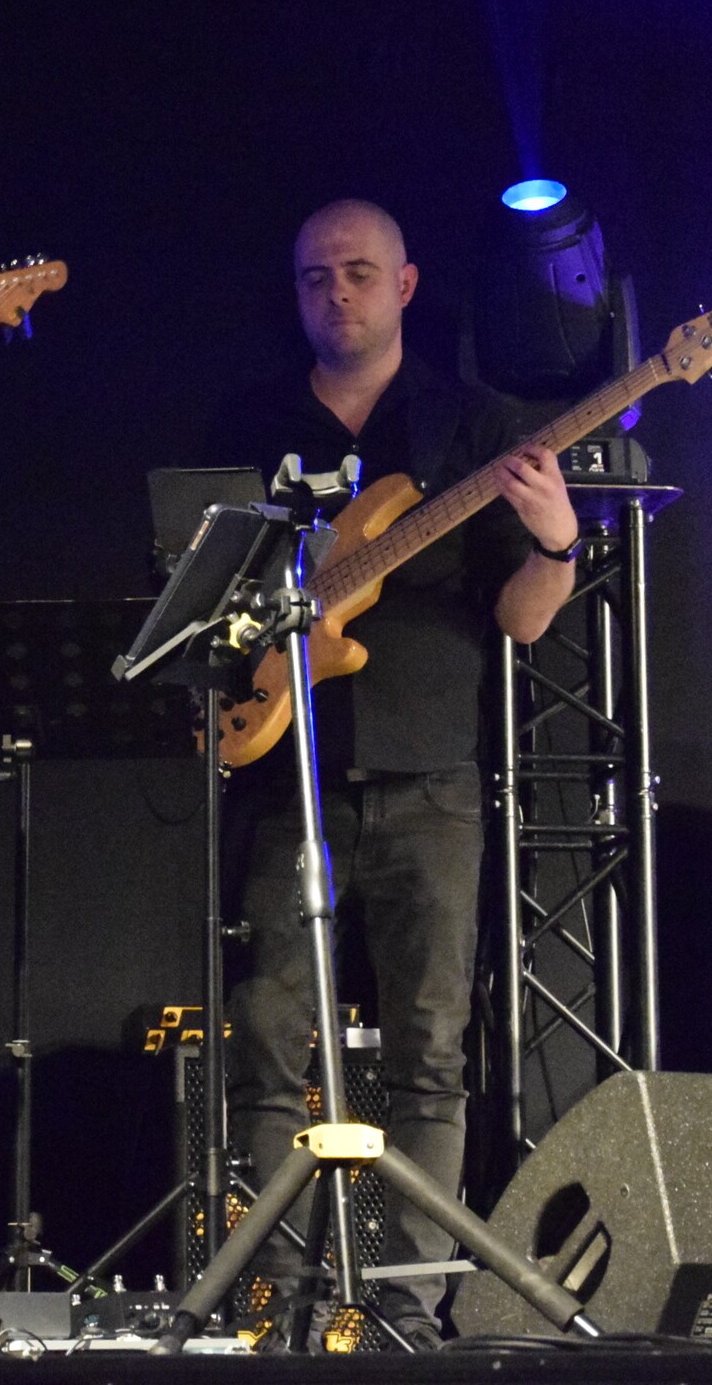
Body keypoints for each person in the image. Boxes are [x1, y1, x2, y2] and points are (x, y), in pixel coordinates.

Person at [201, 198, 579, 1350]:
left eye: (359, 272)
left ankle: (405, 1310)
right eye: (315, 277)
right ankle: (271, 1306)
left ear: (406, 284)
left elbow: (522, 620)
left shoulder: (474, 425)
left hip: (432, 779)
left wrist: (557, 541)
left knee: (429, 1058)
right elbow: (197, 595)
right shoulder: (248, 424)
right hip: (285, 774)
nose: (337, 293)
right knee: (267, 1050)